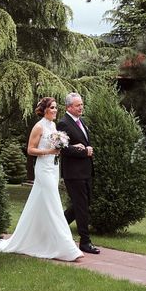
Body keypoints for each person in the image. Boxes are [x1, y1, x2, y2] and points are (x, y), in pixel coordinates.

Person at [0, 97, 83, 261]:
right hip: (43, 169)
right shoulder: (39, 126)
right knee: (55, 204)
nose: (55, 110)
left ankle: (37, 238)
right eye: (52, 108)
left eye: (56, 107)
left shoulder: (53, 126)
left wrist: (71, 147)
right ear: (44, 110)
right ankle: (67, 247)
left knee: (40, 203)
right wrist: (48, 152)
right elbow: (30, 150)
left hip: (54, 167)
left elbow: (57, 148)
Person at [57, 92, 100, 255]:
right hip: (73, 173)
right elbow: (63, 148)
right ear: (69, 107)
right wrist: (84, 152)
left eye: (81, 104)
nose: (81, 107)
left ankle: (57, 227)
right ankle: (85, 242)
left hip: (85, 171)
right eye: (77, 105)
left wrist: (86, 151)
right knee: (81, 206)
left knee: (81, 205)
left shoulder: (81, 121)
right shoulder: (63, 124)